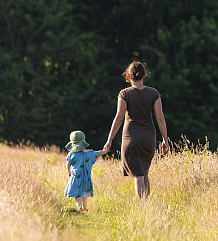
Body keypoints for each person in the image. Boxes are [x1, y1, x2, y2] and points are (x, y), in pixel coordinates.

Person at [103, 61, 170, 197]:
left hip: (131, 138)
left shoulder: (124, 94)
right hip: (148, 138)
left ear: (128, 77)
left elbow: (119, 118)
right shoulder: (154, 93)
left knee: (138, 175)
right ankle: (147, 206)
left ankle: (142, 208)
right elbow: (161, 118)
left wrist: (109, 140)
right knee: (144, 172)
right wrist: (165, 140)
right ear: (144, 75)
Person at [64, 130, 107, 212]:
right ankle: (84, 207)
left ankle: (79, 207)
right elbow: (98, 153)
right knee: (84, 193)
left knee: (77, 193)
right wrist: (105, 151)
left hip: (75, 176)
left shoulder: (71, 154)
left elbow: (67, 165)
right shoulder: (89, 153)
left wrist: (69, 173)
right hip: (86, 177)